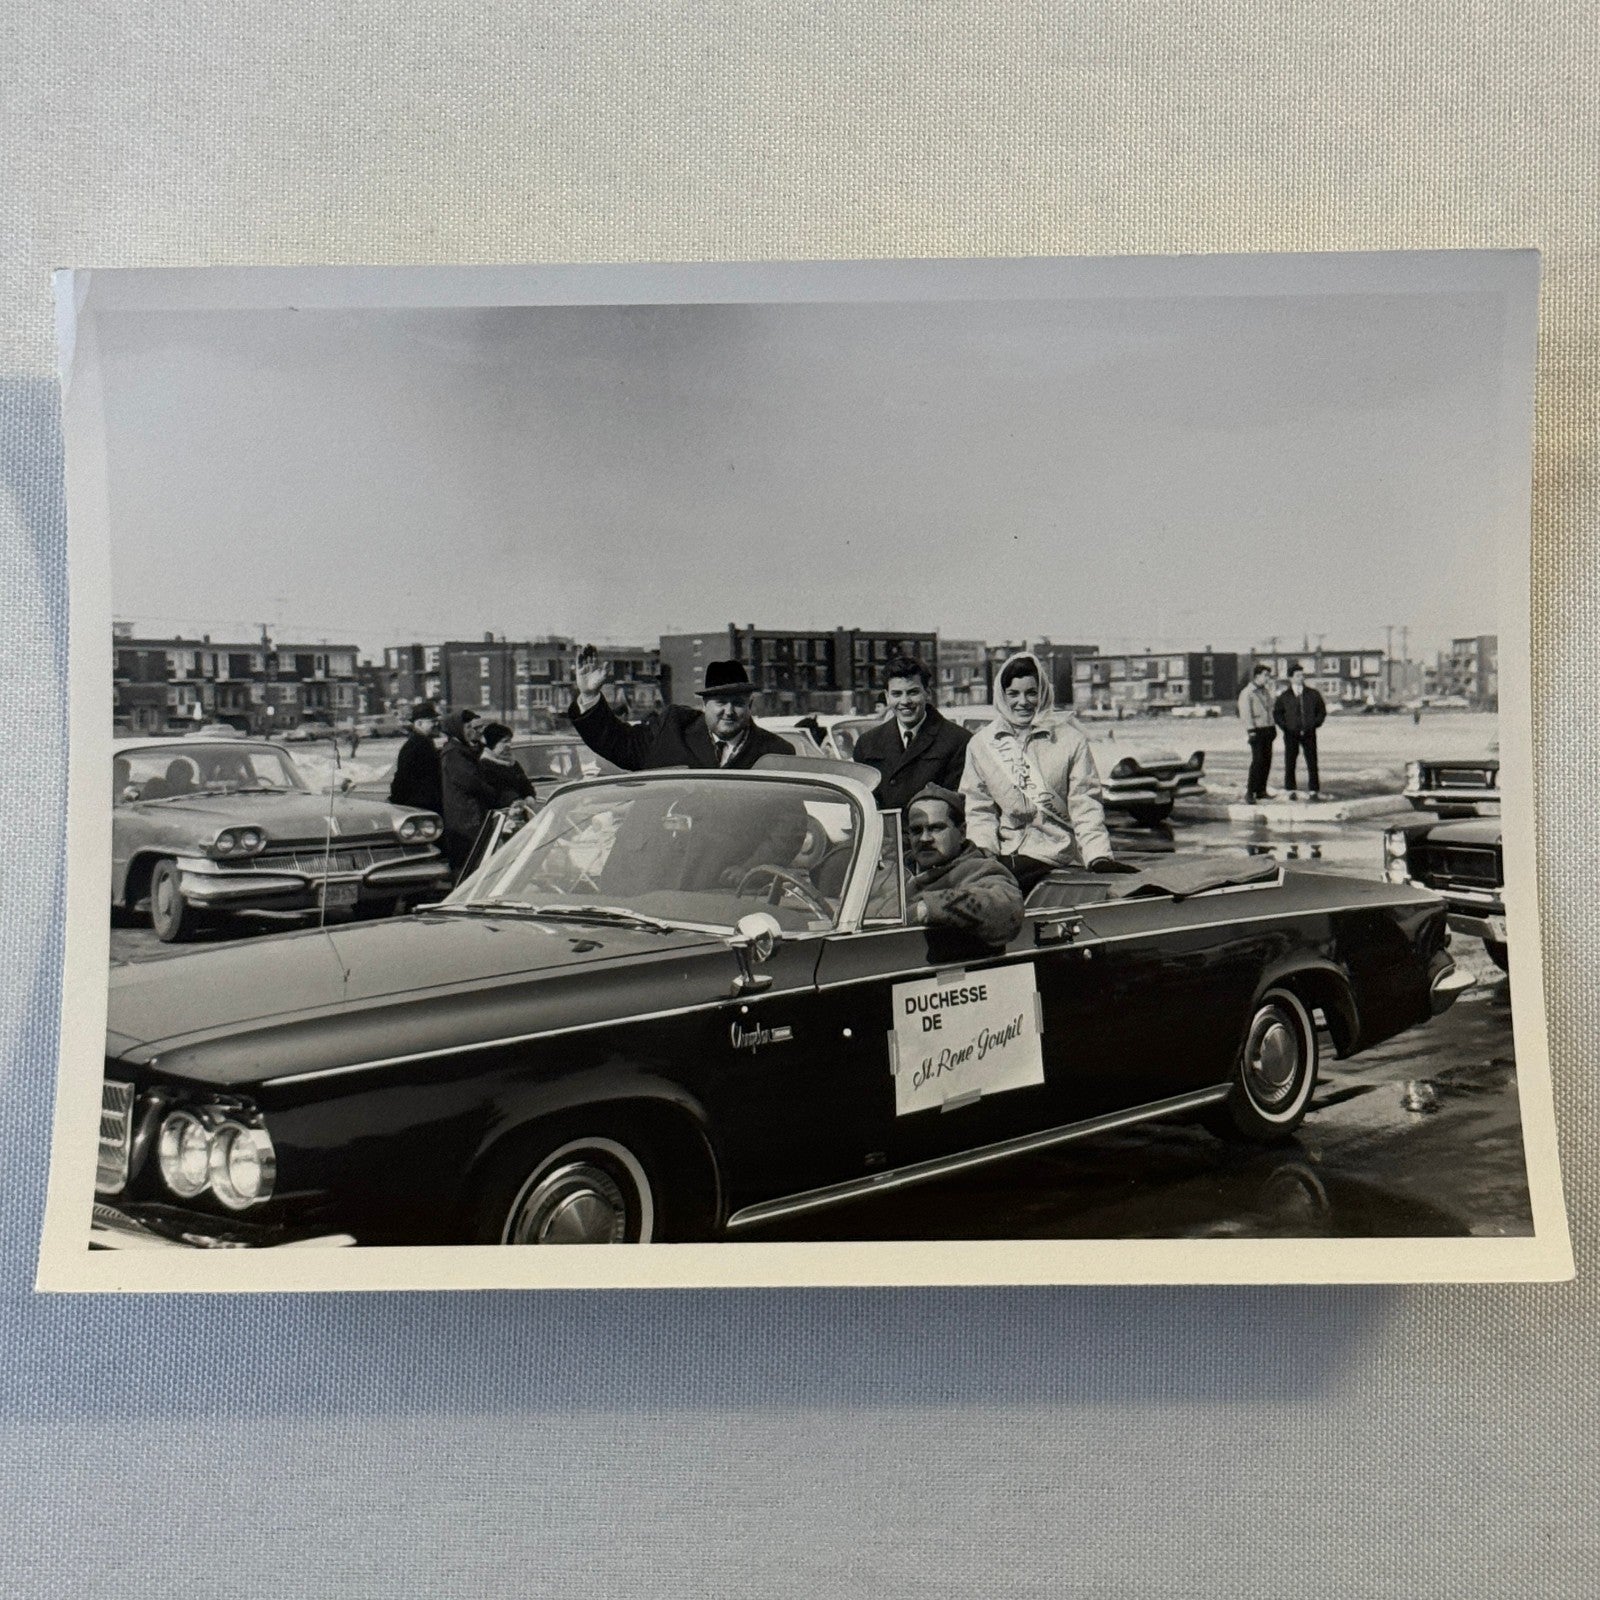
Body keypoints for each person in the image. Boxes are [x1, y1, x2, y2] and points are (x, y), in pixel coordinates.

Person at [959, 650, 1119, 895]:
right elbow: (979, 809)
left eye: (1031, 693)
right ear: (1002, 695)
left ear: (1043, 693)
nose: (1022, 702)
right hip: (1005, 852)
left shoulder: (1069, 741)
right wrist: (984, 850)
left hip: (1055, 852)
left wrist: (1098, 856)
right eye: (1013, 693)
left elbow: (1085, 804)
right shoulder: (982, 744)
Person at [567, 647, 791, 770]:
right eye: (721, 702)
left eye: (738, 703)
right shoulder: (674, 728)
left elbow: (787, 826)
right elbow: (622, 744)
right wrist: (589, 695)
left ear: (750, 705)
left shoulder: (776, 752)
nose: (729, 711)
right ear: (704, 705)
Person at [903, 784, 1024, 947]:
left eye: (936, 828)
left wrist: (925, 908)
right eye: (916, 830)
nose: (925, 838)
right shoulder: (896, 871)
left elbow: (1007, 908)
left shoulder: (980, 869)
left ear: (961, 833)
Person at [851, 653, 972, 813]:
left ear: (927, 693)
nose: (905, 701)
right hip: (886, 836)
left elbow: (957, 808)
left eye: (913, 692)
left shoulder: (958, 741)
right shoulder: (867, 743)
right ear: (887, 697)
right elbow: (863, 806)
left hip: (929, 835)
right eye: (897, 694)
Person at [438, 709, 497, 880]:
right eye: (468, 727)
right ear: (457, 729)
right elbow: (471, 782)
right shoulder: (454, 753)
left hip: (471, 815)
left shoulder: (467, 749)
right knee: (469, 862)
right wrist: (491, 791)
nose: (473, 731)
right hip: (464, 818)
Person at [1273, 661, 1327, 800]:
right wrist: (1286, 727)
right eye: (1297, 675)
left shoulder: (1313, 694)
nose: (1301, 678)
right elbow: (1277, 714)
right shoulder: (1284, 696)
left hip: (1309, 733)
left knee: (1312, 762)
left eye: (1302, 675)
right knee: (1290, 761)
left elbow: (1321, 711)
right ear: (1291, 678)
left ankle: (1314, 790)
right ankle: (1290, 790)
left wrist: (1315, 724)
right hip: (1291, 734)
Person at [389, 701, 443, 814]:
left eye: (436, 721)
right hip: (420, 806)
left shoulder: (423, 743)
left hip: (424, 803)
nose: (436, 724)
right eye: (432, 721)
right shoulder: (416, 746)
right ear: (419, 723)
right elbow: (402, 779)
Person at [1238, 662, 1277, 804]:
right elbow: (1246, 713)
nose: (1267, 678)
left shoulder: (1265, 691)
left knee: (1267, 760)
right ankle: (1250, 792)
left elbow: (1270, 710)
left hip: (1267, 729)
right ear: (1257, 676)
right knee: (1257, 761)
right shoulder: (1247, 693)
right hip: (1256, 730)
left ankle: (1261, 790)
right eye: (1265, 675)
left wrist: (1273, 727)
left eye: (1268, 675)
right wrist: (1251, 731)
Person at [478, 721, 536, 808]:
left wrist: (529, 797)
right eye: (504, 742)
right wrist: (514, 801)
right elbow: (497, 792)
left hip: (521, 811)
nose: (508, 745)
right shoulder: (485, 765)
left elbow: (527, 785)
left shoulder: (513, 763)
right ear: (493, 743)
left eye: (509, 741)